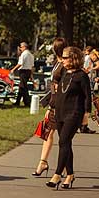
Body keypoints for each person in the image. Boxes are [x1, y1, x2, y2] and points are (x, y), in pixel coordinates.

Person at [46, 46, 91, 189]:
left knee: (63, 141)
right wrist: (51, 108)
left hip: (74, 114)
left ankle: (57, 175)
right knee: (66, 144)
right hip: (60, 112)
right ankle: (70, 175)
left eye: (65, 57)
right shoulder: (64, 72)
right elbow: (57, 93)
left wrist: (86, 115)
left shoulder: (82, 76)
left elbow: (87, 97)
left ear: (74, 59)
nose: (62, 60)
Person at [32, 37, 68, 177]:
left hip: (60, 105)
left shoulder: (64, 65)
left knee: (63, 138)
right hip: (54, 102)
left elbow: (61, 88)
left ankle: (64, 167)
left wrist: (51, 107)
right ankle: (43, 162)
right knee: (49, 133)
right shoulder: (57, 62)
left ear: (56, 48)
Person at [11, 42, 34, 107]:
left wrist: (13, 69)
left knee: (23, 87)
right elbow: (32, 66)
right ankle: (18, 101)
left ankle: (27, 102)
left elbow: (20, 63)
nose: (20, 49)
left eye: (21, 47)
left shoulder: (24, 54)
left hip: (23, 71)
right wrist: (31, 75)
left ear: (24, 47)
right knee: (22, 87)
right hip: (28, 71)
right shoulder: (31, 55)